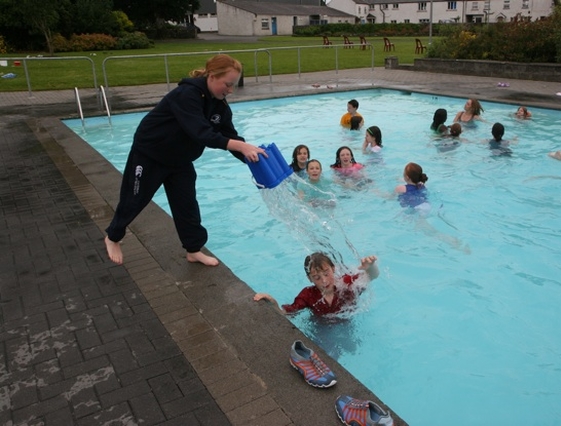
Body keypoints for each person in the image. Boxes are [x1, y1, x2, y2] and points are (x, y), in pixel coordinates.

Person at [104, 54, 266, 266]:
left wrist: (256, 161)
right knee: (134, 199)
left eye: (233, 85)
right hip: (150, 154)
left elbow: (230, 136)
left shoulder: (220, 106)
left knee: (187, 205)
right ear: (211, 76)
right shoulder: (187, 94)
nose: (230, 90)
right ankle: (113, 237)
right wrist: (240, 146)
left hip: (179, 160)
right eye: (228, 84)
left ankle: (193, 250)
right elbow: (201, 132)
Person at [253, 252, 380, 316]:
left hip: (347, 322)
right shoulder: (307, 295)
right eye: (316, 277)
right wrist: (273, 303)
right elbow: (287, 314)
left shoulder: (345, 283)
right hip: (321, 327)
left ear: (333, 269)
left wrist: (371, 266)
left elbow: (372, 276)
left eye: (326, 273)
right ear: (309, 279)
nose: (324, 281)